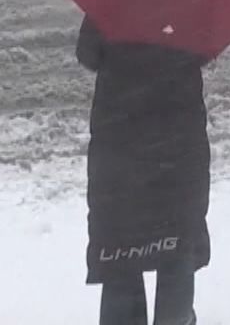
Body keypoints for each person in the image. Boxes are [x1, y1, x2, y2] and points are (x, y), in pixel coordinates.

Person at [77, 17, 209, 325]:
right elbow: (206, 50)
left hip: (122, 143)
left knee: (122, 251)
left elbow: (87, 53)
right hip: (177, 143)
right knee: (176, 248)